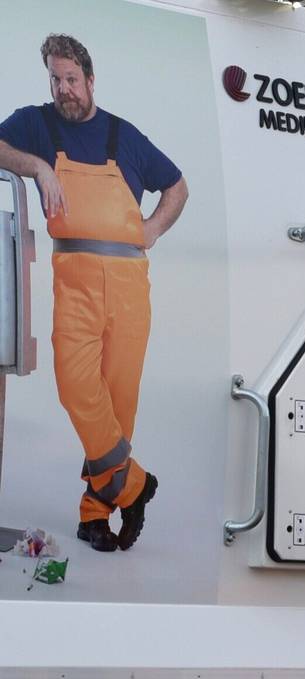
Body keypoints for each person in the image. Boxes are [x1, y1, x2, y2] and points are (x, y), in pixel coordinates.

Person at [0, 34, 187, 552]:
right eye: (56, 80)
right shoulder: (36, 123)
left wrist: (151, 229)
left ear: (90, 80)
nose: (64, 90)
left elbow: (177, 187)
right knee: (76, 387)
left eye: (72, 80)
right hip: (75, 279)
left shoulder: (123, 136)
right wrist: (37, 166)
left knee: (118, 401)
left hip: (128, 286)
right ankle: (134, 485)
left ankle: (93, 515)